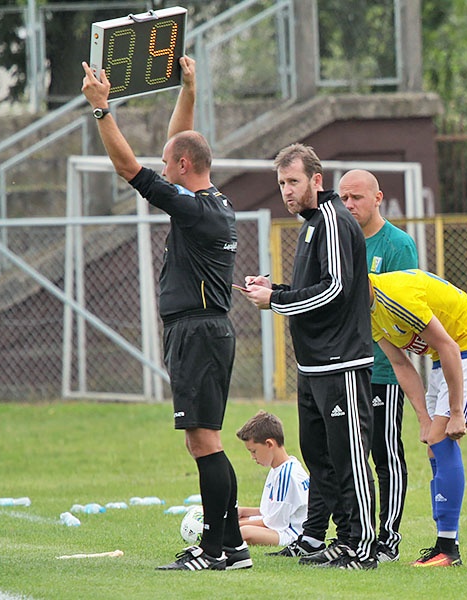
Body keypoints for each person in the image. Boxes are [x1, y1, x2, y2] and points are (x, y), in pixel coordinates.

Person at [81, 57, 250, 570]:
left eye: (169, 161)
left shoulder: (194, 209)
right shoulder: (214, 200)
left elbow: (128, 168)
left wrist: (101, 109)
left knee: (204, 443)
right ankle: (233, 547)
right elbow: (182, 141)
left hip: (196, 332)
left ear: (181, 168)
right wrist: (189, 89)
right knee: (206, 442)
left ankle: (216, 550)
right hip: (209, 330)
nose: (163, 163)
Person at [241, 144, 377, 570]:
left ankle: (362, 544)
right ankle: (321, 536)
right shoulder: (312, 223)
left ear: (317, 181)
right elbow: (312, 289)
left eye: (293, 182)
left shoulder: (335, 222)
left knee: (349, 457)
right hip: (313, 365)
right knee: (319, 457)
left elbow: (336, 289)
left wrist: (275, 301)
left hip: (341, 364)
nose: (286, 191)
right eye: (281, 183)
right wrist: (273, 289)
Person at [369, 269, 467, 567]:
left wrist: (457, 413)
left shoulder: (394, 296)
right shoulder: (368, 309)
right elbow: (400, 364)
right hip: (446, 355)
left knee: (442, 441)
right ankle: (445, 544)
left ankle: (448, 551)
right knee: (433, 443)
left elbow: (450, 345)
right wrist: (423, 420)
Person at [339, 169, 418, 562]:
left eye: (356, 197)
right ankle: (354, 533)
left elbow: (407, 311)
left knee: (385, 452)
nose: (349, 205)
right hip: (346, 365)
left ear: (378, 198)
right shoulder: (339, 240)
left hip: (384, 369)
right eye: (344, 198)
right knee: (347, 453)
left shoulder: (398, 245)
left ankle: (389, 537)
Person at [235, 411, 310, 547]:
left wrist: (230, 527)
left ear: (269, 444)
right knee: (241, 519)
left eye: (254, 451)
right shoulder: (278, 469)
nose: (253, 457)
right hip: (279, 524)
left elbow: (274, 523)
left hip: (291, 534)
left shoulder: (287, 476)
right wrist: (243, 511)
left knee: (243, 531)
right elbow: (270, 512)